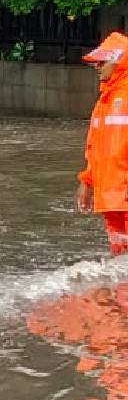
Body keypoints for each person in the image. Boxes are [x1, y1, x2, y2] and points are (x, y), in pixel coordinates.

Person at [78, 31, 128, 254]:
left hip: (121, 190)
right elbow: (95, 147)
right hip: (110, 194)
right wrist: (87, 182)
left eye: (102, 62)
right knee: (118, 253)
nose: (97, 67)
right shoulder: (104, 100)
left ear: (119, 61)